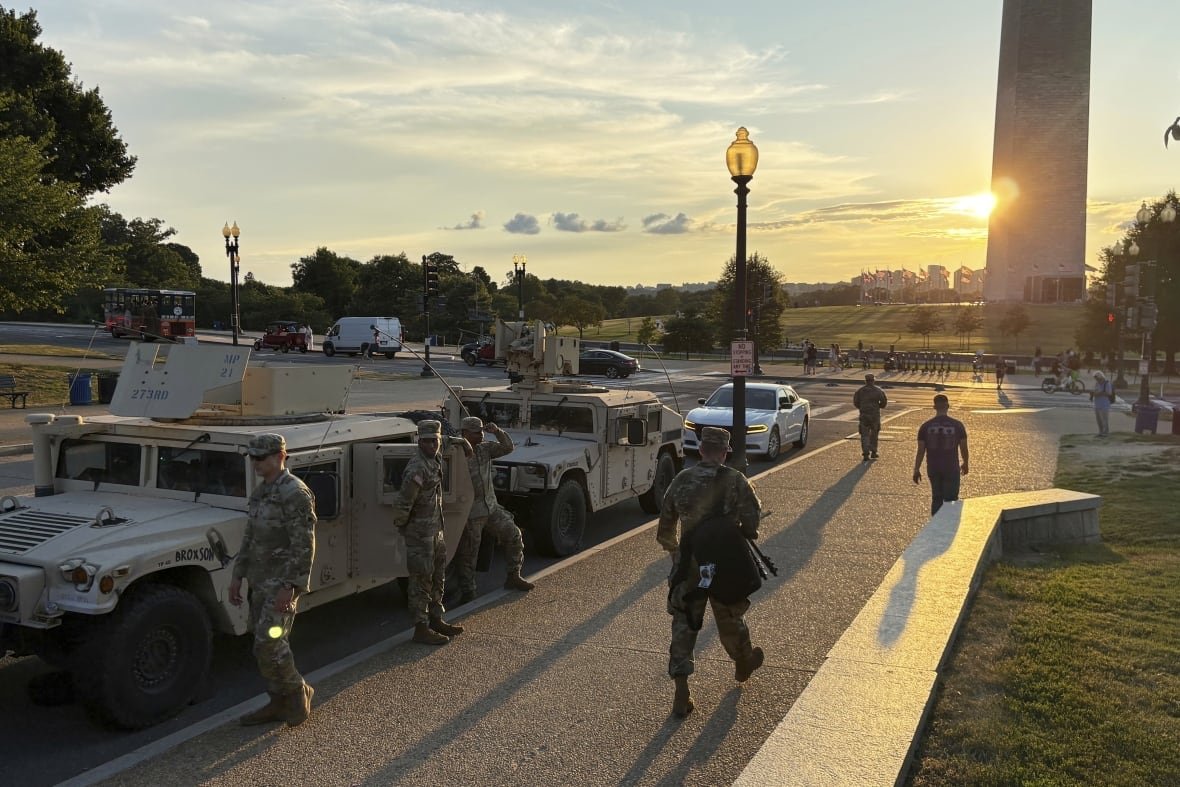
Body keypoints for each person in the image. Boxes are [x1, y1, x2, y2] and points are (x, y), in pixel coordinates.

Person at [657, 426, 764, 718]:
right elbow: (752, 522)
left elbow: (665, 529)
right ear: (725, 452)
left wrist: (678, 556)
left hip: (689, 564)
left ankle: (682, 690)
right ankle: (742, 660)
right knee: (730, 615)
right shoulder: (735, 481)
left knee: (684, 624)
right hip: (724, 563)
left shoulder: (681, 480)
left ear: (701, 449)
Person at [229, 433, 317, 727]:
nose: (255, 463)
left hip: (281, 585)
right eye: (252, 457)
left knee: (271, 643)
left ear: (280, 456)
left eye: (261, 457)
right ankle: (277, 701)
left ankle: (297, 692)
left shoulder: (295, 494)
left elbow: (305, 545)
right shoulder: (261, 492)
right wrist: (237, 576)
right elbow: (250, 536)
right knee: (260, 644)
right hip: (260, 582)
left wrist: (290, 587)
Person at [390, 420, 472, 645]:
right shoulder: (417, 468)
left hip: (436, 531)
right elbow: (403, 503)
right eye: (426, 441)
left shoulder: (436, 452)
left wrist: (463, 441)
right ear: (419, 442)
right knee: (420, 582)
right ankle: (420, 627)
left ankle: (436, 618)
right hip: (420, 535)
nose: (431, 445)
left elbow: (447, 440)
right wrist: (405, 528)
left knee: (438, 577)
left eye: (434, 441)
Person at [454, 416, 534, 603]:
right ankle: (468, 592)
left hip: (490, 507)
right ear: (465, 433)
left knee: (513, 535)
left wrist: (497, 432)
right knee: (468, 555)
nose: (480, 434)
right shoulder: (456, 452)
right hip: (470, 512)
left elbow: (508, 447)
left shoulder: (485, 449)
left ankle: (513, 576)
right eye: (476, 432)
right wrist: (456, 441)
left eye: (481, 431)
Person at [912, 394, 969, 516]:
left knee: (936, 498)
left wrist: (916, 469)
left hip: (933, 467)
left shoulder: (925, 426)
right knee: (951, 500)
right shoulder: (957, 425)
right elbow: (963, 447)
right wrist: (965, 462)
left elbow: (920, 451)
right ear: (948, 406)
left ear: (934, 407)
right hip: (951, 467)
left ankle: (935, 526)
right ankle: (948, 526)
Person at [852, 373, 888, 460]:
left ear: (865, 381)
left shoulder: (860, 391)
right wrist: (878, 406)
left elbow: (856, 402)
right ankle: (874, 451)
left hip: (864, 415)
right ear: (873, 380)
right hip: (875, 415)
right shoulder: (878, 391)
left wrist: (862, 408)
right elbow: (884, 402)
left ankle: (865, 453)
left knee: (864, 434)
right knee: (874, 434)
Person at [1091, 371, 1115, 436]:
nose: (1097, 380)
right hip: (1097, 404)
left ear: (1101, 377)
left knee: (1104, 420)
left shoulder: (1107, 383)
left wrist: (1100, 393)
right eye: (1096, 379)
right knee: (1099, 420)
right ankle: (1100, 431)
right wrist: (1093, 393)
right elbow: (1095, 391)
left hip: (1104, 405)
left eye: (1098, 378)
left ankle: (1105, 432)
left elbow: (1109, 393)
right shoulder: (1097, 383)